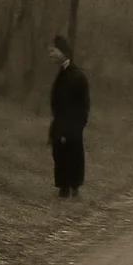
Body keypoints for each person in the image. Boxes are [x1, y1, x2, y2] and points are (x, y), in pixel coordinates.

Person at [47, 34, 90, 198]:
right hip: (60, 123)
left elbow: (83, 106)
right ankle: (63, 188)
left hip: (72, 126)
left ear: (64, 52)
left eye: (54, 50)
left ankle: (73, 189)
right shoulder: (62, 73)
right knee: (59, 155)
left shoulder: (77, 76)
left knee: (73, 155)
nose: (51, 54)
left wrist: (74, 128)